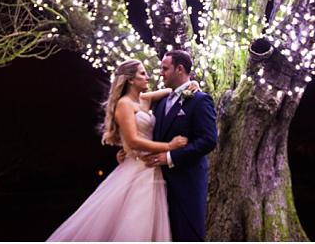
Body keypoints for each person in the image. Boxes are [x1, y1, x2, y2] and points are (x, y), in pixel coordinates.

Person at [46, 59, 197, 242]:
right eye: (142, 73)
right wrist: (169, 147)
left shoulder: (145, 99)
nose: (148, 76)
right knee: (134, 223)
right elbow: (133, 141)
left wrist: (192, 84)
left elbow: (173, 91)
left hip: (152, 170)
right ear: (130, 80)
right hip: (137, 169)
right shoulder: (124, 104)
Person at [142, 50, 218, 241]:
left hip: (187, 185)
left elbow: (208, 140)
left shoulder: (200, 100)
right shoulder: (160, 102)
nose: (161, 73)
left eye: (165, 68)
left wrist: (169, 157)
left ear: (180, 69)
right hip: (156, 186)